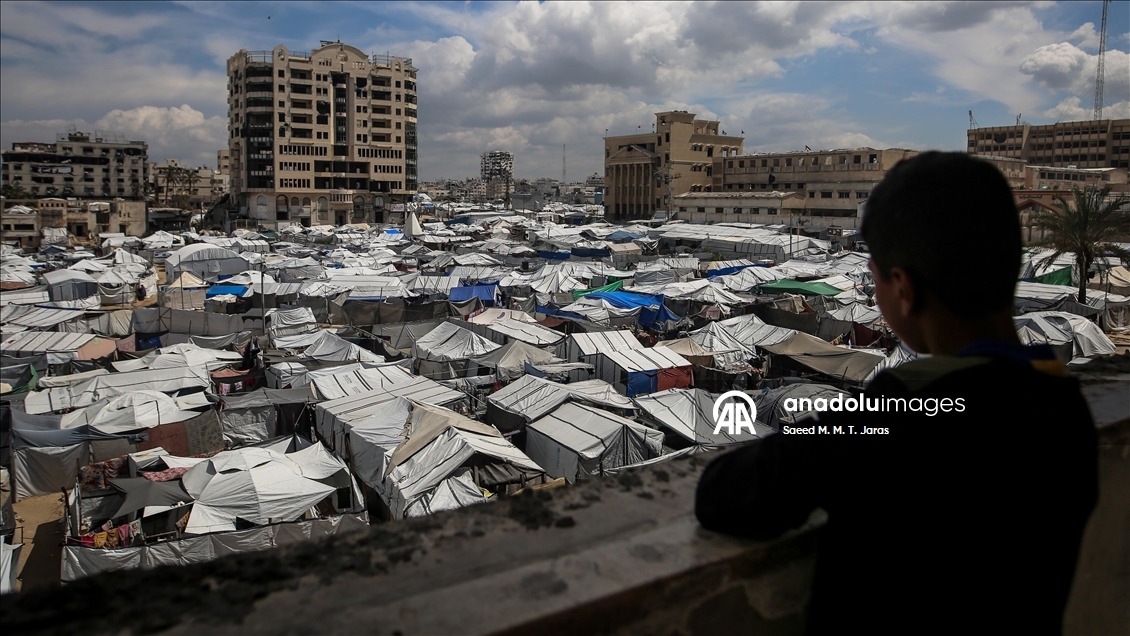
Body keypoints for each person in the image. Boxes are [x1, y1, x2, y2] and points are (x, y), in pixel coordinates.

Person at [695, 152, 1098, 634]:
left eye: (877, 277)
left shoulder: (904, 417)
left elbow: (726, 493)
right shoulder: (1063, 407)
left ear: (903, 289)